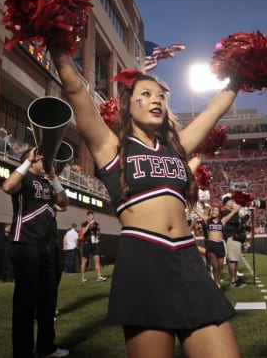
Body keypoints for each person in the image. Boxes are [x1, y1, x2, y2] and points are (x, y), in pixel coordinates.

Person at [51, 47, 242, 357]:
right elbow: (75, 90)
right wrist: (56, 45)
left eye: (161, 96)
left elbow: (211, 112)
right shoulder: (110, 147)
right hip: (143, 261)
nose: (156, 99)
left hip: (188, 260)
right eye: (146, 94)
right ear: (129, 105)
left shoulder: (177, 147)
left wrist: (240, 76)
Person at [2, 146, 70, 358]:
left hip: (46, 246)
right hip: (25, 243)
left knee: (48, 299)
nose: (48, 161)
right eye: (43, 159)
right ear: (32, 160)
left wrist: (53, 177)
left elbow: (64, 203)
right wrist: (27, 162)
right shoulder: (24, 179)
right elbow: (7, 186)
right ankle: (22, 351)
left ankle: (46, 347)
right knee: (25, 300)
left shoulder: (48, 183)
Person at [194, 202, 240, 288]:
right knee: (215, 266)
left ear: (219, 212)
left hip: (220, 245)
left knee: (219, 267)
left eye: (216, 210)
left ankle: (217, 281)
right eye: (213, 210)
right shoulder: (207, 219)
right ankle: (217, 285)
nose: (214, 212)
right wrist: (192, 205)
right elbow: (197, 211)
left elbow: (232, 213)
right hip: (211, 244)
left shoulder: (223, 221)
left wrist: (240, 205)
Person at [221, 194, 247, 288]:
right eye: (231, 201)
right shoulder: (225, 213)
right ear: (226, 204)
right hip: (231, 237)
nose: (233, 202)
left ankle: (235, 279)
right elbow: (233, 221)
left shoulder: (233, 212)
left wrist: (247, 215)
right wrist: (237, 209)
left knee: (235, 260)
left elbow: (240, 223)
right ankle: (233, 281)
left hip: (235, 237)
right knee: (232, 260)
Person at [80, 211, 107, 282]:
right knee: (84, 261)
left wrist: (98, 233)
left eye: (92, 216)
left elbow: (98, 233)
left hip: (94, 244)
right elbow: (83, 232)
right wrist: (89, 224)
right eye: (90, 216)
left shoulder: (96, 224)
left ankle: (99, 277)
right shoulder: (84, 223)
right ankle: (83, 277)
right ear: (88, 216)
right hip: (86, 244)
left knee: (97, 260)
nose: (92, 217)